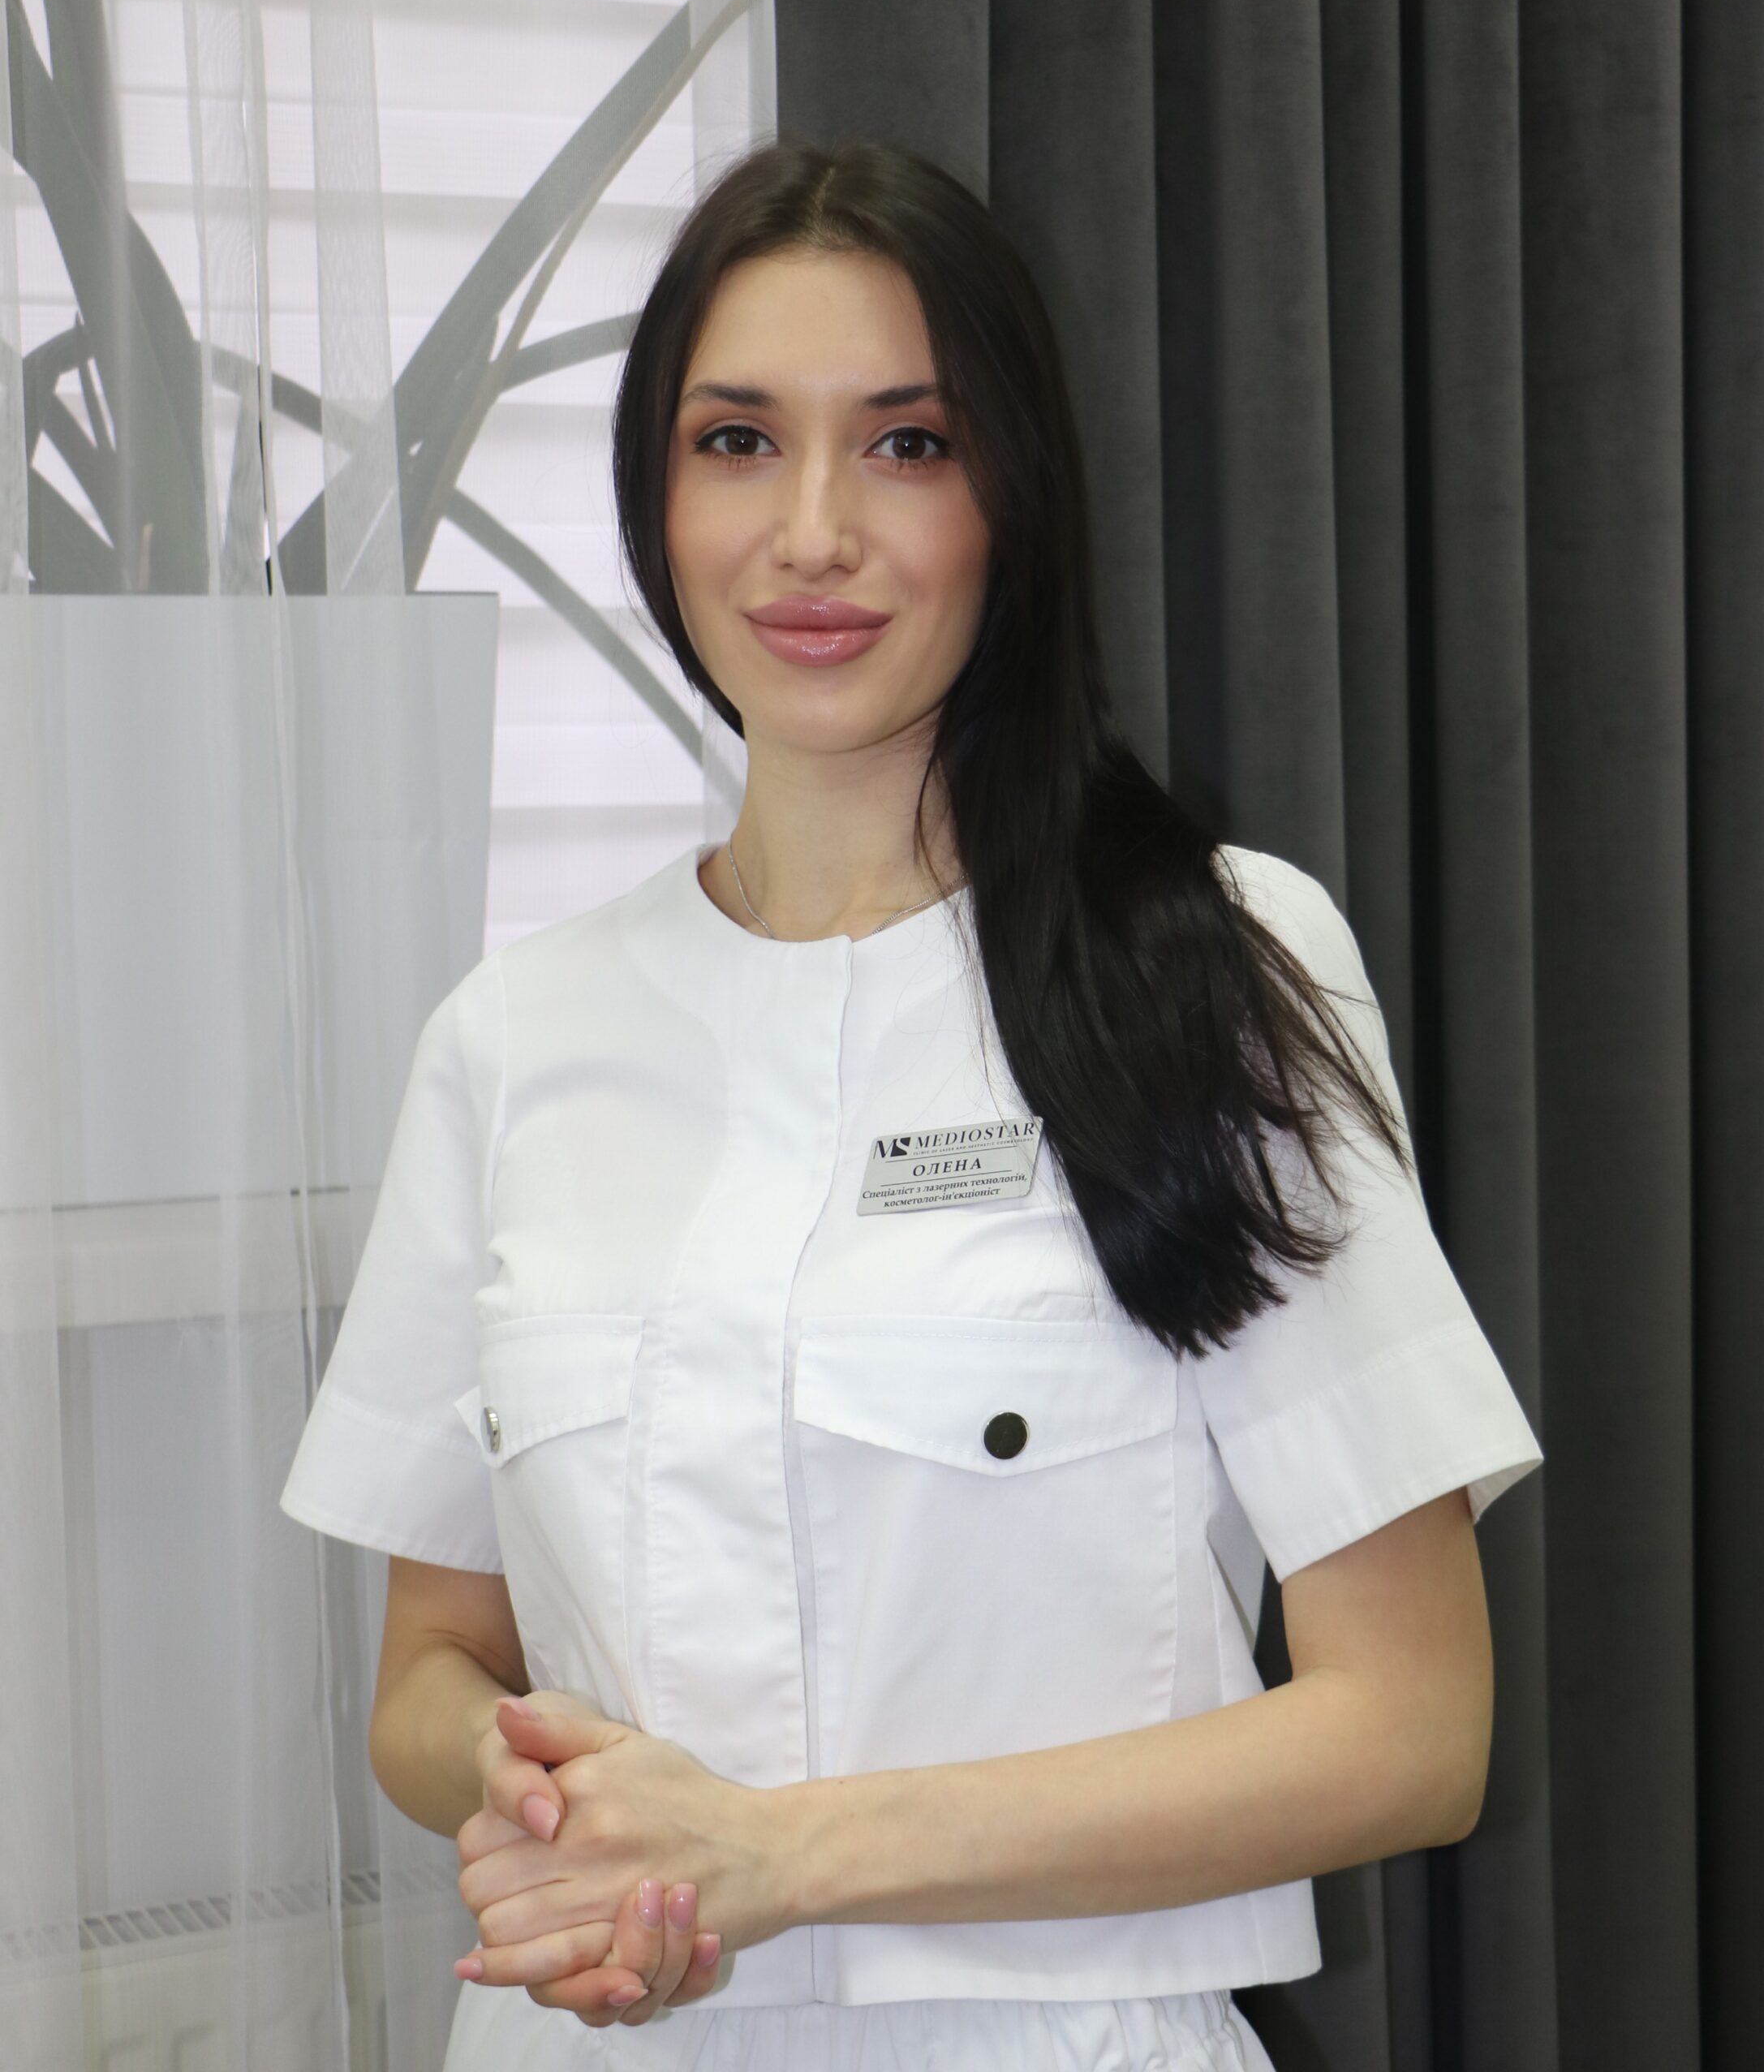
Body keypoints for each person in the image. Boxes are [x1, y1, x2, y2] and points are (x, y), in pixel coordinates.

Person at [278, 136, 1543, 2071]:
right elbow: (427, 1671)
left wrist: (779, 1853)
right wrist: (547, 1795)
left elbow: (1412, 1727)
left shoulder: (1216, 973)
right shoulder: (513, 1035)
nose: (810, 533)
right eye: (735, 441)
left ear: (1010, 498)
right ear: (654, 496)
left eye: (905, 443)